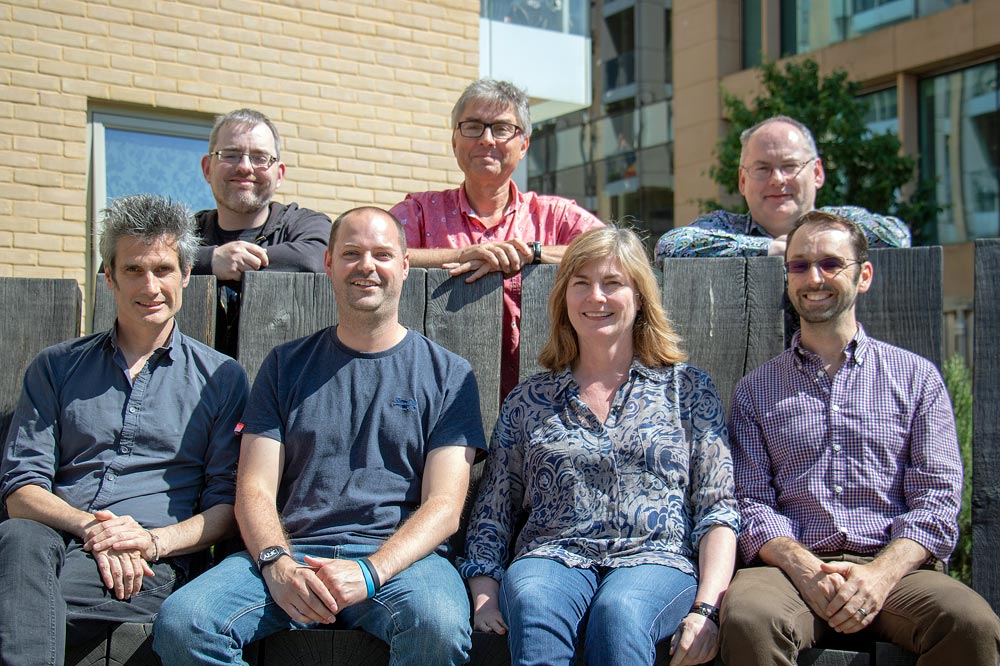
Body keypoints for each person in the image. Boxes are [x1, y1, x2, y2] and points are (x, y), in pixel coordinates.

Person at [153, 207, 487, 666]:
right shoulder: (285, 365)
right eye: (351, 254)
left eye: (382, 254)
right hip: (294, 552)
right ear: (328, 264)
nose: (366, 266)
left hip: (399, 562)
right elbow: (253, 488)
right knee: (184, 623)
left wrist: (371, 572)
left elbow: (445, 507)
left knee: (438, 627)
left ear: (405, 267)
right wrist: (276, 563)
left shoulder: (449, 374)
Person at [722, 211, 1000, 665]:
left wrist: (880, 574)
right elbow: (749, 501)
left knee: (972, 625)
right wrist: (805, 568)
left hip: (896, 568)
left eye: (832, 263)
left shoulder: (916, 379)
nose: (815, 277)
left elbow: (938, 498)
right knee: (750, 619)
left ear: (863, 275)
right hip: (789, 572)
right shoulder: (757, 389)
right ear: (787, 276)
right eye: (800, 264)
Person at [459, 227, 740, 666]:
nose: (597, 297)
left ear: (640, 296)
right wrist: (484, 595)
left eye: (613, 283)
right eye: (581, 283)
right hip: (552, 556)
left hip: (656, 559)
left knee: (620, 613)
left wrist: (707, 609)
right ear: (563, 299)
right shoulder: (529, 401)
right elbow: (493, 510)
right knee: (534, 603)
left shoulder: (688, 390)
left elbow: (717, 509)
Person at [0, 194, 248, 666]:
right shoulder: (56, 368)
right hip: (52, 541)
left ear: (186, 276)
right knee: (19, 537)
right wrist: (96, 529)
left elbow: (225, 505)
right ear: (109, 277)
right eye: (134, 269)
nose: (150, 285)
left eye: (163, 269)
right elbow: (21, 492)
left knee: (18, 608)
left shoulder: (221, 378)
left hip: (150, 563)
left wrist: (150, 542)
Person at [390, 78, 604, 399]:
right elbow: (373, 251)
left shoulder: (554, 216)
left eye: (502, 129)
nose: (487, 139)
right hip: (431, 396)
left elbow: (620, 254)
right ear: (454, 141)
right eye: (473, 126)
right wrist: (460, 255)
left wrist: (534, 252)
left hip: (547, 396)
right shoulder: (420, 211)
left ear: (524, 144)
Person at [654, 115, 911, 262]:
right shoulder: (722, 227)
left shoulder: (841, 223)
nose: (777, 179)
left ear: (818, 173)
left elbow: (897, 238)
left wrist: (812, 242)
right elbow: (669, 247)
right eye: (762, 168)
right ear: (742, 181)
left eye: (790, 166)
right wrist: (770, 248)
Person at [194, 108, 332, 355]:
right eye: (231, 155)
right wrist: (210, 260)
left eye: (260, 157)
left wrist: (238, 263)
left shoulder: (305, 225)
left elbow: (316, 257)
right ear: (207, 168)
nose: (245, 167)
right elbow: (125, 261)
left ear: (279, 174)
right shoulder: (182, 232)